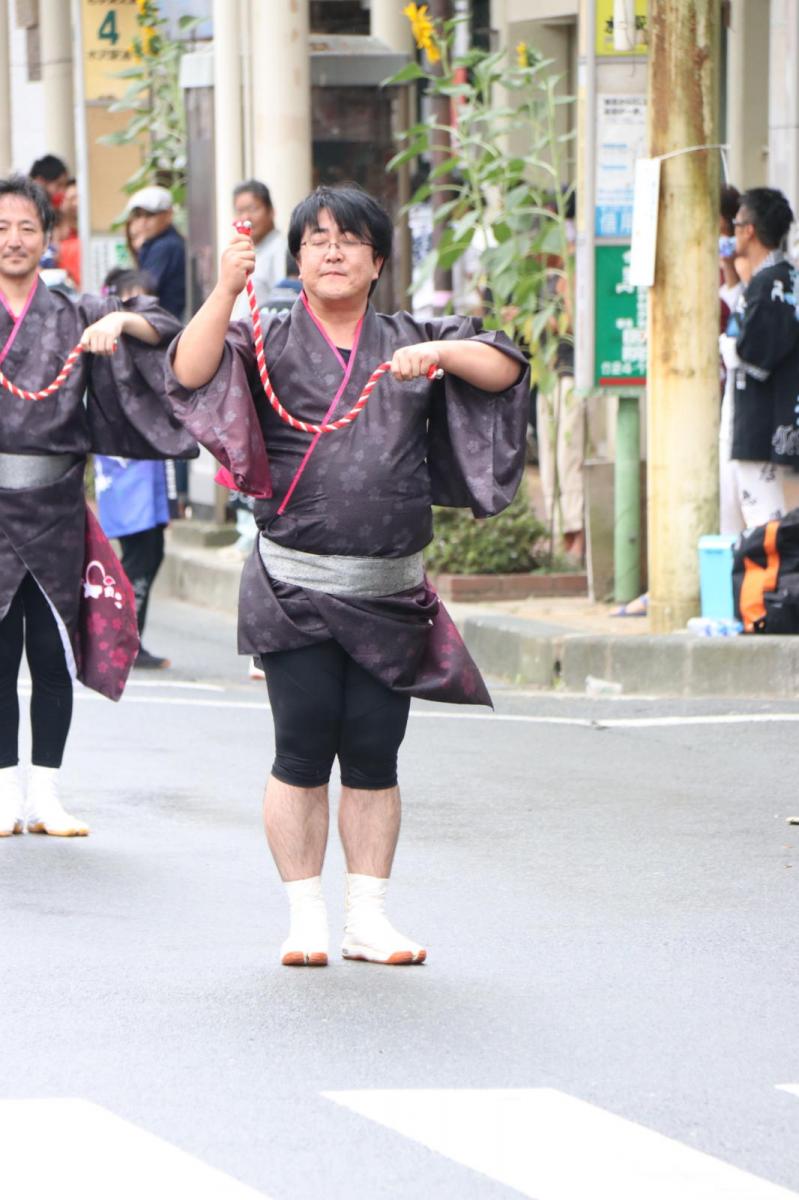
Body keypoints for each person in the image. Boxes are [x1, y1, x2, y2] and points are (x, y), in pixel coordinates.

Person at [168, 185, 529, 968]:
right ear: (294, 260)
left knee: (373, 751)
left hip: (389, 587)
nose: (330, 250)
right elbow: (190, 372)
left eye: (348, 240)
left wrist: (438, 355)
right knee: (301, 747)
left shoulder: (411, 335)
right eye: (315, 240)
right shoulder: (262, 336)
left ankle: (367, 916)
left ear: (377, 262)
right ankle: (304, 916)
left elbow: (503, 367)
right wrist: (225, 290)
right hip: (293, 583)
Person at [0, 175, 196, 839]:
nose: (14, 240)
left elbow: (164, 327)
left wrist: (120, 319)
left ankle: (47, 794)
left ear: (46, 238)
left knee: (52, 652)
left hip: (56, 504)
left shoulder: (76, 311)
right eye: (1, 227)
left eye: (27, 227)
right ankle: (3, 793)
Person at [95, 269, 174, 670]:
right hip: (124, 465)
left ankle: (125, 639)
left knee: (149, 552)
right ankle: (120, 640)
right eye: (135, 300)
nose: (145, 310)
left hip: (147, 466)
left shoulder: (150, 342)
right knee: (139, 556)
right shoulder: (107, 345)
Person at [718, 187, 799, 535]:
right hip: (770, 422)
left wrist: (726, 346)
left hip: (760, 427)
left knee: (764, 528)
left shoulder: (772, 283)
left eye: (735, 224)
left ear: (749, 230)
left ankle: (764, 591)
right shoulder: (780, 278)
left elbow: (752, 351)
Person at [125, 185, 186, 319]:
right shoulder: (160, 242)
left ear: (168, 215)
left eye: (150, 215)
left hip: (167, 325)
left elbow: (142, 292)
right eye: (138, 215)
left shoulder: (165, 246)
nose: (143, 222)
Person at [231, 180, 288, 318]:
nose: (246, 218)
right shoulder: (248, 251)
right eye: (240, 211)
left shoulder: (282, 250)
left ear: (271, 211)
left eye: (253, 209)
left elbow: (284, 303)